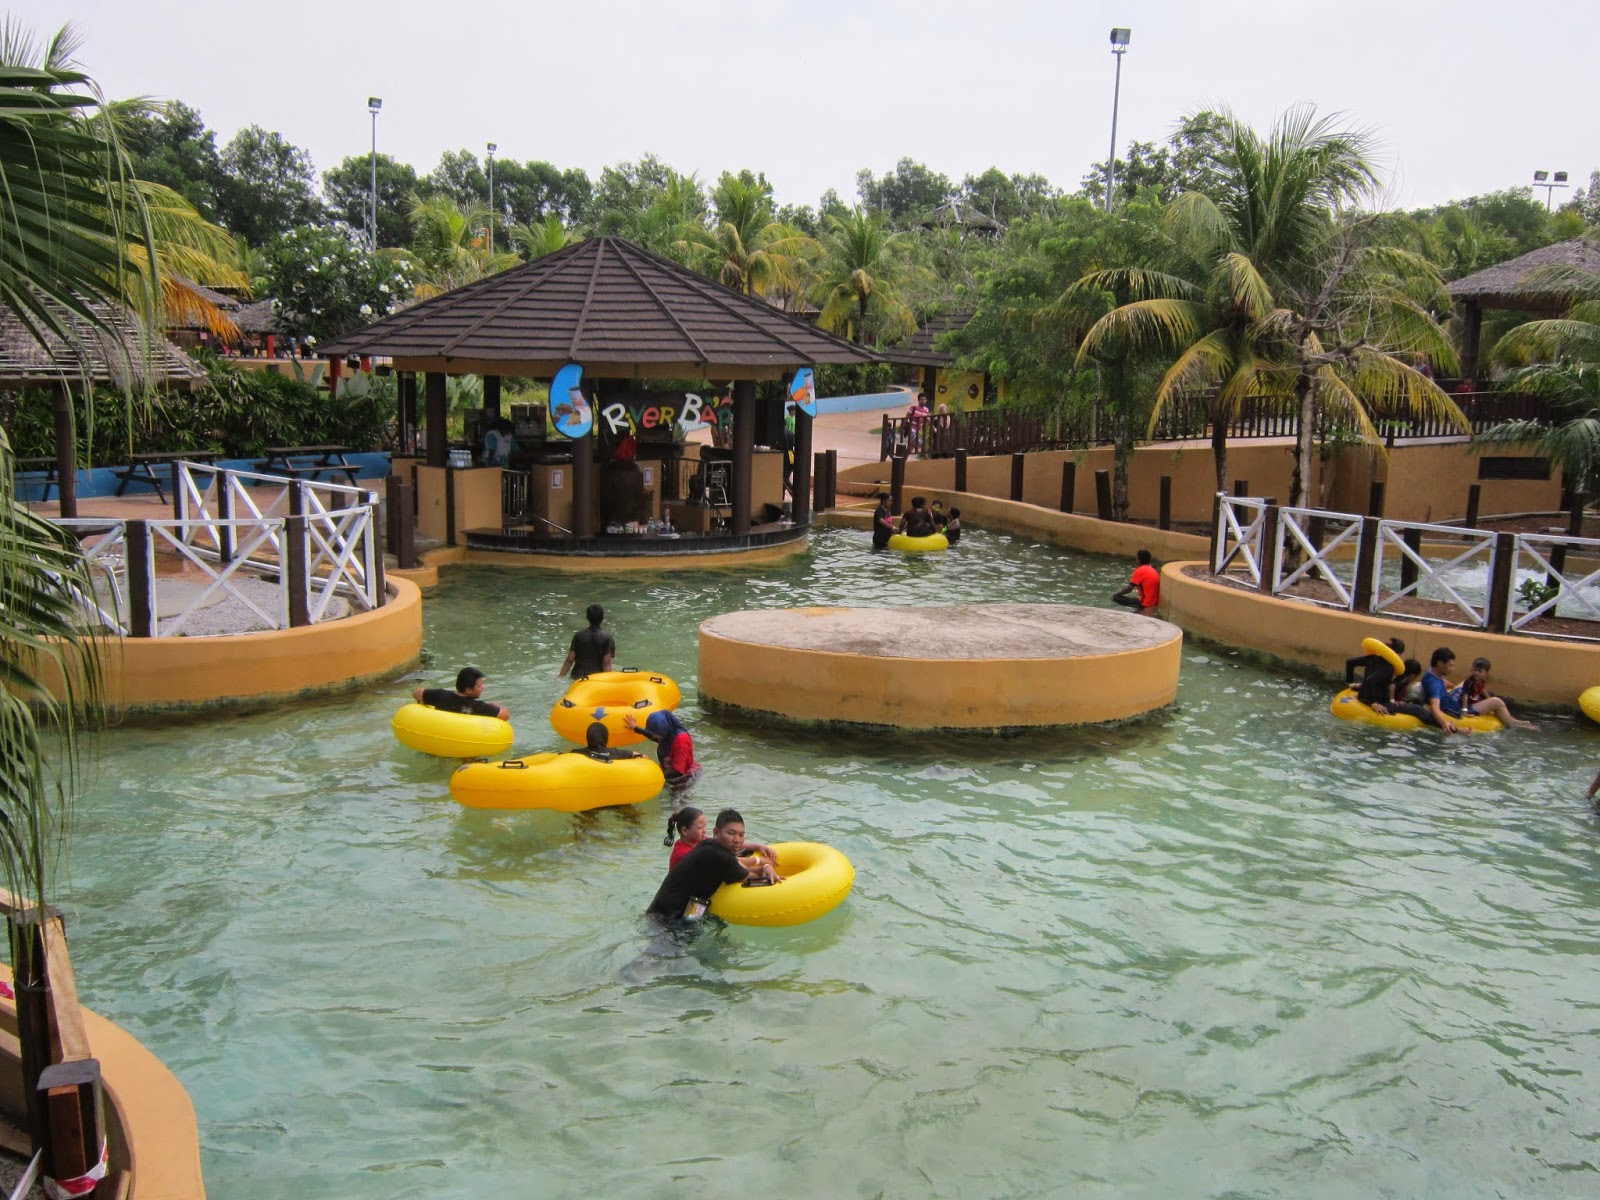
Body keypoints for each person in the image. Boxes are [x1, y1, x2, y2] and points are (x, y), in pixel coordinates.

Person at [646, 809, 781, 922]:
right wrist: (766, 867)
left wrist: (765, 866)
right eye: (731, 833)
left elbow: (742, 870)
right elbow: (751, 878)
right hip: (668, 918)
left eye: (741, 835)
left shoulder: (710, 846)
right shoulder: (718, 856)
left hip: (672, 910)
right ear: (716, 832)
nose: (737, 840)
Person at [625, 709, 702, 785]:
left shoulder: (681, 741)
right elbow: (652, 735)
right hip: (669, 769)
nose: (655, 737)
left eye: (657, 734)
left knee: (677, 797)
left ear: (664, 729)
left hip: (684, 777)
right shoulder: (668, 732)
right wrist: (635, 728)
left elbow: (678, 771)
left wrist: (654, 776)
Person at [1454, 657, 1536, 729]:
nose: (1476, 673)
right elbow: (1465, 696)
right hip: (1466, 707)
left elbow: (1481, 689)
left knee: (1492, 697)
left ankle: (1514, 721)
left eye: (1480, 671)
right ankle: (1513, 723)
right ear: (1471, 670)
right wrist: (1464, 711)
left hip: (1471, 702)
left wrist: (1488, 700)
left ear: (1486, 674)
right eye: (1475, 670)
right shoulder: (1469, 682)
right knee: (1497, 701)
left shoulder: (1480, 680)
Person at [413, 667, 509, 719]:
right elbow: (505, 715)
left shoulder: (440, 695)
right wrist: (494, 705)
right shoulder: (478, 707)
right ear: (468, 690)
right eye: (479, 686)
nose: (483, 688)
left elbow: (417, 693)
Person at [1419, 648, 1466, 735]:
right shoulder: (1434, 685)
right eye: (1450, 665)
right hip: (1454, 711)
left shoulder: (1430, 672)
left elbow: (1443, 681)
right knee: (1496, 701)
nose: (1452, 669)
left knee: (1465, 684)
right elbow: (1435, 707)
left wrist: (1455, 687)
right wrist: (1445, 724)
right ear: (1440, 663)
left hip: (1451, 700)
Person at [560, 604, 615, 679]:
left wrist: (560, 677)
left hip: (578, 676)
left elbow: (570, 659)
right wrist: (609, 681)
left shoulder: (578, 636)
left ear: (587, 617)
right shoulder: (607, 638)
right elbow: (606, 663)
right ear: (602, 618)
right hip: (597, 678)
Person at [1112, 549, 1160, 614]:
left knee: (1116, 598)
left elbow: (1129, 589)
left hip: (1146, 603)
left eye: (1136, 558)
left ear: (1139, 560)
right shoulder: (1152, 569)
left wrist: (1116, 594)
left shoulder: (1140, 571)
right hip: (1153, 602)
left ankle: (1141, 610)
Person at [569, 721, 642, 763]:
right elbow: (642, 756)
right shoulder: (616, 753)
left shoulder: (577, 753)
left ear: (588, 737)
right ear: (605, 738)